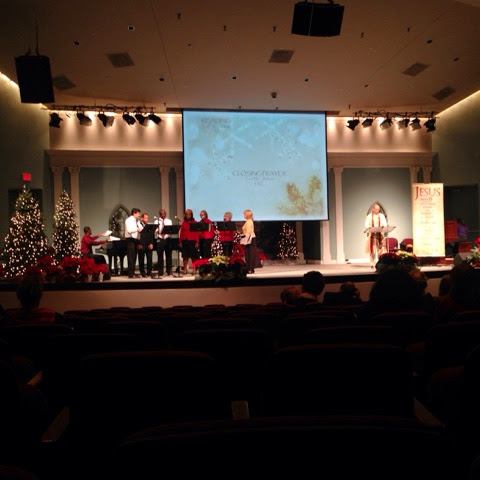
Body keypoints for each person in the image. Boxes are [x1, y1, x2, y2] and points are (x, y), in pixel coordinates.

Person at [365, 202, 387, 267]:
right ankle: (372, 263)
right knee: (372, 250)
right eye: (376, 209)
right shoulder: (369, 216)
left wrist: (383, 226)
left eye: (378, 209)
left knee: (381, 249)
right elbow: (366, 224)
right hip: (372, 235)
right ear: (373, 209)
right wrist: (369, 227)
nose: (378, 210)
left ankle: (380, 263)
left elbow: (385, 223)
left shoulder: (381, 216)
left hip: (380, 235)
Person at [179, 209, 199, 274]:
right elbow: (181, 233)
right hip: (185, 241)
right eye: (187, 214)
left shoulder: (195, 222)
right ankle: (185, 269)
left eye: (189, 214)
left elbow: (196, 233)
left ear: (191, 215)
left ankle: (194, 269)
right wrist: (180, 241)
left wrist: (197, 242)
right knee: (185, 256)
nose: (188, 216)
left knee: (193, 257)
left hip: (192, 241)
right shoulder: (184, 223)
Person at [155, 208, 173, 277]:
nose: (163, 215)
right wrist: (157, 231)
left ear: (166, 214)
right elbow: (155, 230)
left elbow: (170, 229)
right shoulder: (156, 221)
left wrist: (168, 232)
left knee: (169, 255)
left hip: (167, 239)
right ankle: (160, 272)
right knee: (160, 256)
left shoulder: (169, 221)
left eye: (164, 213)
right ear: (159, 214)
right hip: (160, 239)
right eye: (161, 214)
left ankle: (169, 271)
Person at [125, 207, 142, 278]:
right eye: (138, 213)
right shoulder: (129, 220)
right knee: (131, 257)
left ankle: (133, 272)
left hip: (135, 240)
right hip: (130, 240)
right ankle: (130, 274)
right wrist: (137, 229)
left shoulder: (137, 221)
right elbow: (129, 230)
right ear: (134, 213)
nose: (139, 215)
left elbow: (141, 228)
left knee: (134, 257)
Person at [137, 213, 155, 278]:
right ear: (142, 218)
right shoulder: (138, 224)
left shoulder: (149, 226)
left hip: (148, 244)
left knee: (149, 258)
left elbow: (151, 235)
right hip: (141, 243)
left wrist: (151, 243)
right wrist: (139, 243)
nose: (147, 219)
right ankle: (142, 272)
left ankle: (149, 272)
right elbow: (137, 236)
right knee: (141, 259)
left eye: (147, 218)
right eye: (145, 218)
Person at [242, 209, 257, 274]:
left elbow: (248, 232)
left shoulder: (249, 221)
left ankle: (250, 269)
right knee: (249, 254)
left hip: (250, 239)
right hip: (250, 238)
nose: (243, 215)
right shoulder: (249, 221)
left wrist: (245, 240)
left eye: (244, 214)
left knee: (250, 254)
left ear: (247, 215)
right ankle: (250, 268)